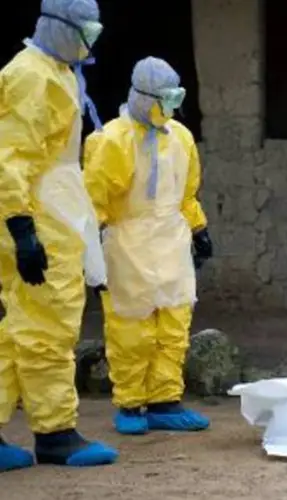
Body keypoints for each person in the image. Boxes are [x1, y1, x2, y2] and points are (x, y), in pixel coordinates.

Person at [0, 0, 119, 471]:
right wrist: (20, 225)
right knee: (49, 328)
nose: (91, 38)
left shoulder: (59, 70)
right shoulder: (31, 74)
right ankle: (55, 432)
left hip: (54, 206)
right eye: (86, 28)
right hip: (39, 210)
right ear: (61, 26)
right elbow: (12, 155)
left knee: (20, 331)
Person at [83, 57, 213, 436]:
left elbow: (188, 193)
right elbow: (95, 202)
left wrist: (199, 229)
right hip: (128, 242)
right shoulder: (111, 140)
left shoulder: (182, 139)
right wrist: (91, 256)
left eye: (176, 98)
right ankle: (130, 403)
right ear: (144, 97)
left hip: (171, 239)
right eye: (166, 99)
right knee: (131, 328)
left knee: (174, 324)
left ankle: (165, 401)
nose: (172, 107)